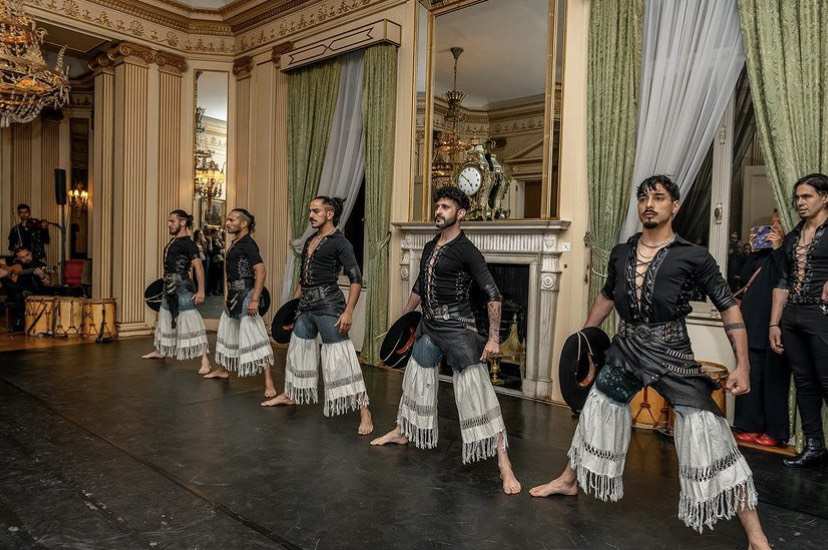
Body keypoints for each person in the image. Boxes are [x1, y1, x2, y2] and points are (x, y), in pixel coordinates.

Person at [528, 176, 768, 547]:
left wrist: (743, 365)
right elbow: (607, 296)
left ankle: (755, 536)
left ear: (676, 206)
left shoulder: (694, 256)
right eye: (643, 198)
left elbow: (728, 305)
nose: (649, 204)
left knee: (710, 434)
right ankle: (568, 480)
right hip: (625, 350)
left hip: (671, 352)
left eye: (659, 197)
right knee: (596, 411)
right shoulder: (622, 253)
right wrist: (586, 342)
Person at [370, 186, 521, 495]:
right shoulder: (429, 245)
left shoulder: (467, 250)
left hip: (457, 329)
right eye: (437, 206)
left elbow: (492, 294)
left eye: (445, 207)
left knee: (477, 394)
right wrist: (403, 320)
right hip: (430, 325)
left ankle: (504, 465)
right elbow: (418, 285)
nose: (438, 211)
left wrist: (493, 340)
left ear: (460, 214)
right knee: (416, 380)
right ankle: (403, 431)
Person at [261, 196, 373, 436]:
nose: (311, 215)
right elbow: (304, 277)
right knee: (297, 352)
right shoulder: (311, 239)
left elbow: (356, 279)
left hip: (329, 306)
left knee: (342, 358)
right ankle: (290, 394)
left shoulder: (340, 243)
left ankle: (364, 410)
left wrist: (349, 311)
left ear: (329, 214)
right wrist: (292, 306)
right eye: (310, 211)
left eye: (316, 211)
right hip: (305, 307)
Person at [770, 173, 828, 468]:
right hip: (792, 314)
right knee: (804, 383)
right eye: (797, 198)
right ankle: (815, 446)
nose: (800, 202)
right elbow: (782, 281)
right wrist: (774, 324)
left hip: (821, 314)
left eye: (806, 197)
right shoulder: (793, 236)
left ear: (824, 198)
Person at [203, 209, 276, 397]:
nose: (227, 223)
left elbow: (261, 271)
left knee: (256, 336)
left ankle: (269, 382)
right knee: (227, 332)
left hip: (246, 296)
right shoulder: (236, 243)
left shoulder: (248, 244)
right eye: (227, 219)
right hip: (233, 296)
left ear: (243, 224)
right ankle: (223, 369)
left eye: (231, 220)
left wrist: (254, 299)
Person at [734, 210, 789, 447]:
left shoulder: (788, 253)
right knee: (751, 373)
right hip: (751, 320)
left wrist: (779, 250)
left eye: (779, 221)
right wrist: (753, 251)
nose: (774, 225)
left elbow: (785, 277)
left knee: (773, 379)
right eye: (773, 221)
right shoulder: (764, 253)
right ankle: (750, 425)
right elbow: (743, 278)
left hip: (774, 323)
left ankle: (774, 431)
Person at [142, 210, 211, 374]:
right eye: (168, 221)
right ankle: (161, 351)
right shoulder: (174, 241)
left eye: (172, 221)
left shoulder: (189, 244)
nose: (169, 224)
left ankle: (205, 361)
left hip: (183, 287)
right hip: (168, 285)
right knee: (165, 316)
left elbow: (198, 266)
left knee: (190, 320)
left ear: (182, 222)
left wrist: (201, 290)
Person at [0, 247, 52, 332]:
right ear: (18, 258)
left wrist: (42, 276)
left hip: (33, 292)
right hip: (14, 291)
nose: (26, 258)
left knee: (19, 291)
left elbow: (47, 283)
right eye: (22, 257)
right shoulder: (14, 262)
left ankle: (19, 323)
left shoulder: (40, 265)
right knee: (14, 287)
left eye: (27, 255)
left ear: (31, 253)